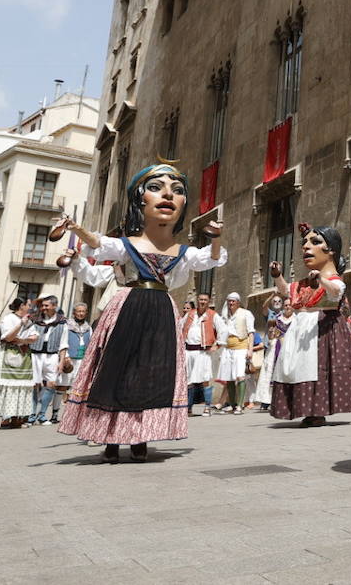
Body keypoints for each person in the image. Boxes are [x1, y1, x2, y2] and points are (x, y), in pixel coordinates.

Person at [54, 163, 227, 462]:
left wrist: (215, 238)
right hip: (129, 306)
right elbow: (98, 244)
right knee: (117, 370)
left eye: (177, 191)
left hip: (161, 310)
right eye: (156, 188)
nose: (168, 195)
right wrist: (76, 228)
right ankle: (110, 437)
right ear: (139, 200)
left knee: (152, 374)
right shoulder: (126, 246)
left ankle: (140, 436)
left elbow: (211, 259)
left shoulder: (183, 253)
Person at [269, 224, 351, 426]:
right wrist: (277, 275)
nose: (306, 247)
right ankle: (305, 409)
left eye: (315, 242)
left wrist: (321, 280)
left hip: (323, 329)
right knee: (299, 367)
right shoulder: (303, 282)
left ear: (332, 250)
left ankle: (317, 411)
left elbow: (336, 291)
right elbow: (286, 290)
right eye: (305, 243)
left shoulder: (333, 279)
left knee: (317, 368)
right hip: (302, 329)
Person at [0, 299, 38, 428]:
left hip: (23, 354)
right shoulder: (8, 318)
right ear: (21, 306)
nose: (30, 307)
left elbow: (35, 337)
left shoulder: (29, 321)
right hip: (5, 353)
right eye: (28, 305)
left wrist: (22, 339)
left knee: (20, 387)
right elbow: (8, 337)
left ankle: (15, 418)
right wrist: (19, 325)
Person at [182, 291, 226, 416]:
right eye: (200, 299)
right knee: (188, 380)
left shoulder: (213, 315)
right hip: (188, 351)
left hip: (203, 352)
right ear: (197, 300)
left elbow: (223, 330)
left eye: (205, 300)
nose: (202, 302)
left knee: (205, 379)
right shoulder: (190, 314)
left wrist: (218, 344)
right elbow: (179, 326)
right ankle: (188, 408)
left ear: (209, 301)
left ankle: (207, 407)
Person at [27, 296, 69, 425]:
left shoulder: (62, 322)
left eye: (46, 306)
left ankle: (42, 414)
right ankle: (32, 414)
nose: (43, 308)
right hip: (36, 355)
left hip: (52, 356)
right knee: (35, 385)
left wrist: (61, 362)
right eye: (43, 305)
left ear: (54, 306)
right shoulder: (35, 320)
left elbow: (63, 344)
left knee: (51, 384)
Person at [216, 292, 255, 414]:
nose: (231, 303)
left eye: (233, 301)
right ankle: (232, 404)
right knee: (229, 376)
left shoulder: (245, 314)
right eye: (229, 301)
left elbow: (251, 333)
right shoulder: (225, 316)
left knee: (240, 375)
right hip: (228, 347)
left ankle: (240, 405)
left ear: (238, 302)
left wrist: (250, 349)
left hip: (241, 346)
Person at [57, 302, 93, 418]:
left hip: (82, 359)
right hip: (69, 358)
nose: (81, 313)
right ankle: (55, 412)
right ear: (74, 313)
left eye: (83, 311)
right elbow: (63, 341)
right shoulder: (67, 325)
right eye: (79, 311)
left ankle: (71, 413)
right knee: (63, 384)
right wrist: (65, 356)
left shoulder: (88, 328)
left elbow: (91, 343)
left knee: (77, 385)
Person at [254, 294, 286, 411]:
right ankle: (265, 401)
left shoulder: (285, 314)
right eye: (274, 301)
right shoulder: (270, 314)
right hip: (270, 346)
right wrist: (272, 295)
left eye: (279, 301)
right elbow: (264, 306)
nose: (277, 302)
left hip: (282, 347)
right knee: (267, 373)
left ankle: (277, 399)